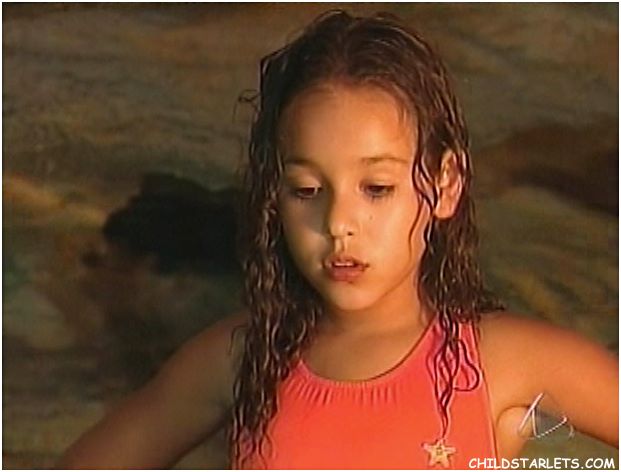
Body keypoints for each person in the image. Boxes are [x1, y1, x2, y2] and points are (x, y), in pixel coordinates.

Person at [57, 10, 618, 469]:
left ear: (445, 185)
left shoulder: (507, 363)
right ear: (273, 195)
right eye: (306, 190)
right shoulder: (239, 360)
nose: (338, 223)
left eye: (376, 188)